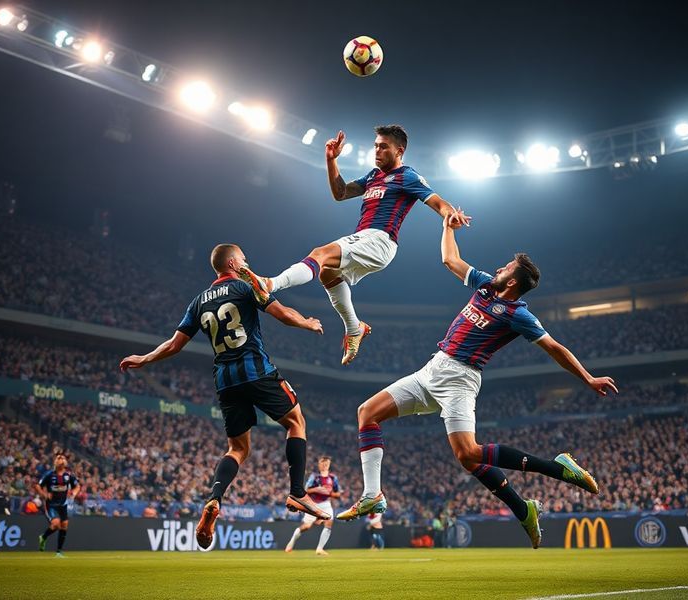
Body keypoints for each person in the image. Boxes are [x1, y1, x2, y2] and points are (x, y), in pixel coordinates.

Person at [336, 213, 619, 549]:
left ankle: (555, 469)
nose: (498, 269)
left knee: (468, 454)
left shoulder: (518, 315)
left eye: (505, 269)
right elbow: (449, 259)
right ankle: (373, 495)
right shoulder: (485, 285)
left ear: (513, 282)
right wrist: (447, 226)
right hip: (432, 369)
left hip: (461, 379)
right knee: (367, 412)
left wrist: (587, 378)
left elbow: (555, 348)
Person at [119, 243, 331, 549]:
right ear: (233, 263)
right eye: (244, 258)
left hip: (225, 380)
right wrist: (306, 322)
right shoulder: (246, 286)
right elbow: (281, 313)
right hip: (256, 370)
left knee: (237, 449)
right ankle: (297, 492)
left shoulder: (198, 301)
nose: (248, 262)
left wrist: (144, 358)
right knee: (296, 422)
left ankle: (214, 498)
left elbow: (174, 345)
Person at [239, 125, 471, 365]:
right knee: (327, 273)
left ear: (399, 150)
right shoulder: (373, 176)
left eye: (383, 147)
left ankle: (269, 284)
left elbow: (437, 201)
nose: (377, 151)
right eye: (376, 146)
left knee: (320, 253)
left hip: (380, 239)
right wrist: (331, 160)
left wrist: (451, 214)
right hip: (366, 238)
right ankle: (354, 327)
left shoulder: (407, 176)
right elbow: (340, 193)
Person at [285, 456, 341, 556]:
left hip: (326, 504)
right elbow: (305, 490)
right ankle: (291, 542)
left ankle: (319, 549)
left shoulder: (333, 478)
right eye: (322, 464)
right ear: (319, 465)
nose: (324, 466)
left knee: (329, 523)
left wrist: (330, 493)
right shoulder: (314, 477)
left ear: (329, 465)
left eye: (326, 464)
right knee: (306, 526)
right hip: (313, 504)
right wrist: (316, 489)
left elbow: (338, 494)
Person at [35, 452, 80, 557]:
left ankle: (59, 552)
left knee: (64, 526)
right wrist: (44, 494)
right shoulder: (49, 474)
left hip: (63, 505)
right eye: (59, 458)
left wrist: (73, 493)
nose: (61, 459)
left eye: (63, 458)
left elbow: (77, 486)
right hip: (51, 505)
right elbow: (38, 486)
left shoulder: (68, 475)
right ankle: (43, 537)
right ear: (56, 462)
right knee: (56, 524)